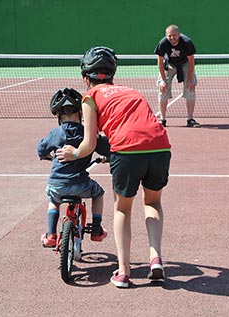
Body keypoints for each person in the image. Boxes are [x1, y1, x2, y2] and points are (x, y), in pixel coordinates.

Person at [56, 47, 171, 288]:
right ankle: (155, 259)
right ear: (112, 74)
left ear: (85, 77)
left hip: (127, 151)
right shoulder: (132, 91)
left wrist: (73, 153)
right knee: (152, 203)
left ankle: (124, 272)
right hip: (160, 147)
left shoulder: (89, 97)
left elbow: (89, 143)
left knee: (123, 210)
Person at [37, 87, 110, 248]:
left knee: (53, 200)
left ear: (59, 117)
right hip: (80, 184)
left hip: (57, 185)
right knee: (99, 194)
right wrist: (107, 158)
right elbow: (106, 148)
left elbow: (40, 149)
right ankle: (96, 229)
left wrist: (49, 157)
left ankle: (51, 234)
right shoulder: (87, 133)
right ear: (81, 114)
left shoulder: (55, 133)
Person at [154, 24, 201, 128]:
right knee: (163, 89)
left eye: (174, 35)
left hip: (185, 64)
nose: (172, 38)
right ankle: (162, 119)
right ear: (166, 36)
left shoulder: (187, 42)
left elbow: (191, 60)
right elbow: (160, 61)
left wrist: (189, 79)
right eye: (169, 36)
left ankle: (190, 119)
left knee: (190, 88)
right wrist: (162, 80)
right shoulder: (162, 43)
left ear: (179, 34)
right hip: (170, 64)